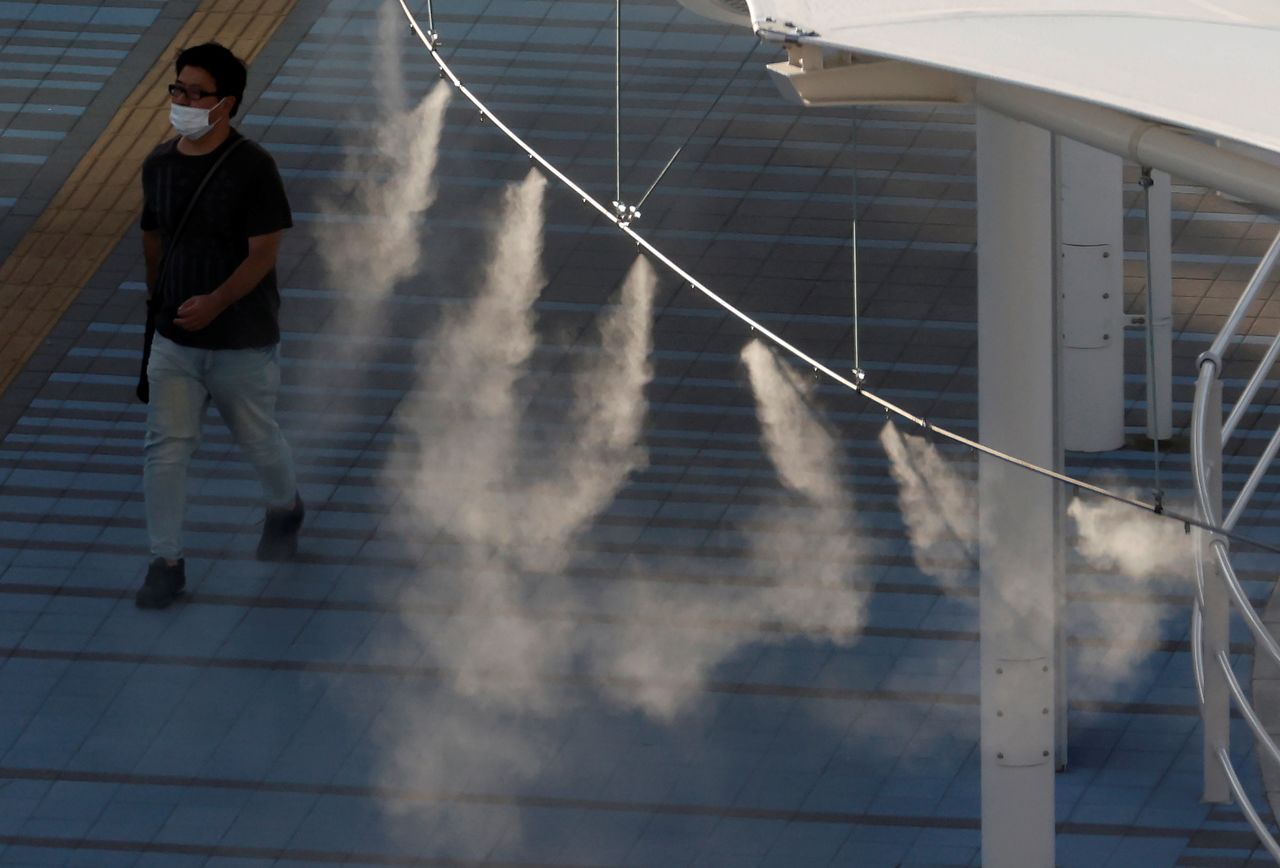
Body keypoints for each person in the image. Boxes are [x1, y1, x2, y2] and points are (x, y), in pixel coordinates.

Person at [135, 42, 302, 609]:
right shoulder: (158, 164)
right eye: (176, 89)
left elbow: (262, 254)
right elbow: (152, 235)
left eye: (194, 92)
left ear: (225, 104)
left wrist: (215, 301)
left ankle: (285, 506)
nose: (180, 100)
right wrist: (161, 301)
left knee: (257, 438)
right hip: (175, 342)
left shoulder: (254, 168)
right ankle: (166, 561)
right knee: (166, 449)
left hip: (241, 341)